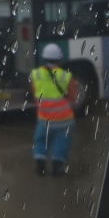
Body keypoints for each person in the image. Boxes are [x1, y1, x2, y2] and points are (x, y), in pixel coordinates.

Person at [30, 44, 77, 176]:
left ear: (44, 57)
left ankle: (40, 167)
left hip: (44, 119)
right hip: (64, 120)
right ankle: (57, 168)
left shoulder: (35, 74)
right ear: (59, 58)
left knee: (41, 141)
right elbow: (72, 97)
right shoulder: (67, 76)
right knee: (61, 143)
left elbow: (35, 93)